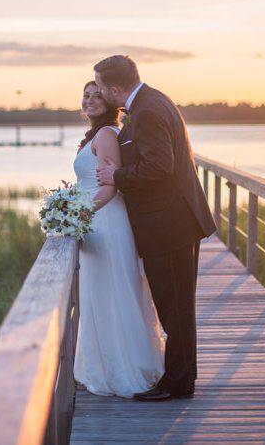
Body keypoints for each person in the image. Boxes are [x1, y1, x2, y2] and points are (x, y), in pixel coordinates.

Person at [94, 55, 217, 401]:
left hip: (170, 225)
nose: (101, 93)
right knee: (175, 307)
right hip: (171, 222)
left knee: (175, 309)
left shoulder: (147, 110)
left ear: (115, 88)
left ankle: (178, 384)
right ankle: (179, 379)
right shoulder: (152, 100)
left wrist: (115, 176)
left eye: (102, 87)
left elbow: (159, 168)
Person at [72, 80, 165, 398]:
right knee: (99, 295)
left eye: (97, 95)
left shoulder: (107, 134)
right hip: (97, 222)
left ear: (111, 101)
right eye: (86, 95)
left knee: (113, 294)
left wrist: (76, 215)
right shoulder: (98, 134)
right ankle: (103, 366)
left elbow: (110, 189)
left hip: (107, 223)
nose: (89, 100)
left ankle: (125, 370)